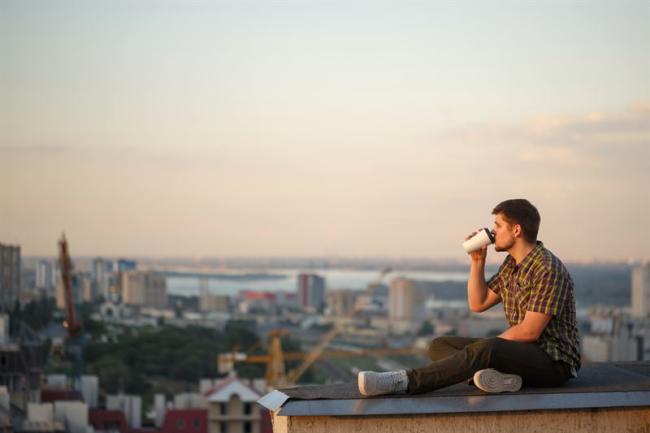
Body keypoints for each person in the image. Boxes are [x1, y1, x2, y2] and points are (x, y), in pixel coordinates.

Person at [357, 199, 581, 396]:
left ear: (516, 230)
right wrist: (477, 261)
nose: (492, 233)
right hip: (520, 354)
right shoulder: (512, 266)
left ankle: (402, 381)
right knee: (439, 344)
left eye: (498, 225)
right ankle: (496, 379)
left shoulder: (547, 268)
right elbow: (478, 303)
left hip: (553, 362)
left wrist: (484, 350)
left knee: (486, 349)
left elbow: (529, 331)